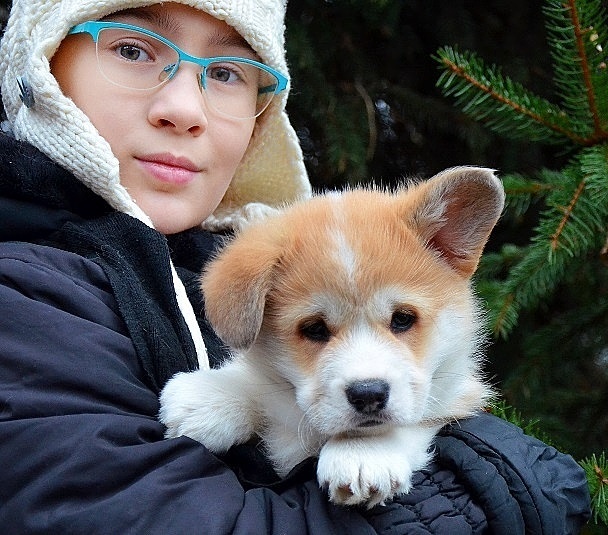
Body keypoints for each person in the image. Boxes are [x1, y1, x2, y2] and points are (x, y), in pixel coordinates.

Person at [0, 0, 591, 533]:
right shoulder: (26, 297)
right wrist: (483, 490)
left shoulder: (216, 258)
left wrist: (401, 447)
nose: (183, 108)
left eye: (226, 72)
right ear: (39, 68)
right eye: (132, 49)